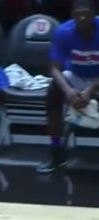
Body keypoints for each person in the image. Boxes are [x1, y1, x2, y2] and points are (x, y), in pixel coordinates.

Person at [38, 0, 99, 174]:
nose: (81, 17)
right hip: (77, 76)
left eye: (86, 13)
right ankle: (56, 150)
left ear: (94, 14)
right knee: (53, 91)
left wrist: (91, 90)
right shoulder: (63, 32)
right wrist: (69, 93)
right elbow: (54, 68)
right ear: (72, 16)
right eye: (77, 14)